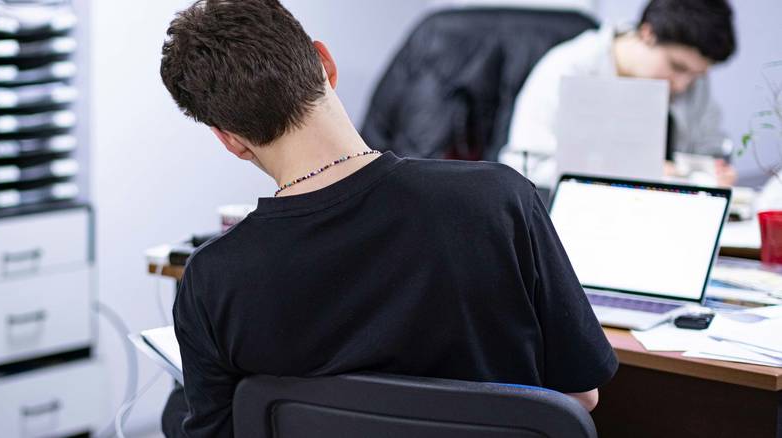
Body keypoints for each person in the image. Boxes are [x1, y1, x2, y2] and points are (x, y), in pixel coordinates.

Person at [159, 1, 617, 436]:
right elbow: (579, 396)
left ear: (230, 140)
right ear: (325, 64)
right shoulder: (498, 199)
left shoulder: (213, 280)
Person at [500, 0, 738, 188]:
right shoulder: (569, 67)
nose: (682, 85)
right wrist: (636, 171)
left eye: (696, 75)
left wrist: (710, 172)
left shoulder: (693, 84)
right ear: (647, 34)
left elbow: (709, 150)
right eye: (677, 67)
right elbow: (526, 168)